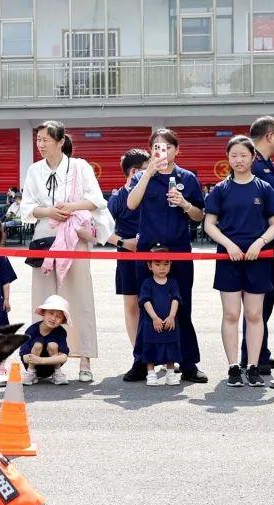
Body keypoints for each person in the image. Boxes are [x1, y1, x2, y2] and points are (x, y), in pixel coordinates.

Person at [19, 120, 110, 383]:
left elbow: (96, 200)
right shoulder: (34, 170)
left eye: (46, 139)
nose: (41, 144)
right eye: (38, 140)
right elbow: (27, 208)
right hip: (45, 236)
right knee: (44, 301)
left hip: (73, 237)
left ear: (60, 142)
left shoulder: (79, 167)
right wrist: (49, 211)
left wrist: (70, 208)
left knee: (79, 297)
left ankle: (84, 358)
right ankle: (40, 363)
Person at [126, 128, 208, 383]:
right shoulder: (142, 175)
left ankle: (188, 363)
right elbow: (131, 204)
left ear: (177, 150)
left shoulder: (188, 178)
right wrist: (148, 172)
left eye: (167, 147)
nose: (162, 151)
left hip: (179, 249)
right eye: (157, 147)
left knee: (181, 304)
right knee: (146, 305)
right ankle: (142, 361)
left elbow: (199, 215)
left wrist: (184, 204)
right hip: (148, 251)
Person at [203, 135, 274, 388]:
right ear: (228, 158)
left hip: (258, 259)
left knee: (254, 314)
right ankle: (233, 367)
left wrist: (260, 242)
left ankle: (253, 366)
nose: (238, 160)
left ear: (252, 157)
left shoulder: (264, 188)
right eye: (234, 155)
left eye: (243, 155)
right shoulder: (220, 189)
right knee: (231, 314)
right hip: (229, 258)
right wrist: (228, 244)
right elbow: (209, 224)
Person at [243, 116, 274, 374]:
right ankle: (252, 357)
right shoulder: (254, 165)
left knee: (266, 304)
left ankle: (261, 352)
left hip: (273, 242)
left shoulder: (267, 163)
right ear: (269, 135)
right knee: (256, 306)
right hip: (260, 245)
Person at [107, 149, 150, 381]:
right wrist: (124, 242)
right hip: (127, 258)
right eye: (145, 169)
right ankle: (139, 357)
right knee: (132, 306)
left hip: (153, 258)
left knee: (154, 305)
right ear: (134, 172)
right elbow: (100, 229)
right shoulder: (117, 199)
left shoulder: (153, 193)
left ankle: (157, 355)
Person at [137, 248, 182, 387]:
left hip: (170, 322)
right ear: (149, 265)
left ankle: (170, 373)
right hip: (152, 323)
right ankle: (151, 373)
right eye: (157, 264)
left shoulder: (172, 282)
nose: (162, 268)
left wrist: (172, 316)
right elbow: (145, 301)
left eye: (166, 263)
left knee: (171, 347)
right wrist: (154, 318)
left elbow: (176, 299)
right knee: (150, 347)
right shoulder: (147, 283)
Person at [20, 295, 70, 386]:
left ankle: (57, 373)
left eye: (58, 316)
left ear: (62, 321)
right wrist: (34, 359)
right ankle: (31, 373)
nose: (53, 318)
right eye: (51, 313)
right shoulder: (32, 330)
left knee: (53, 345)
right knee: (38, 344)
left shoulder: (61, 332)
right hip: (32, 365)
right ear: (43, 312)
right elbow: (24, 356)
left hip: (51, 366)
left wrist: (40, 360)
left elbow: (64, 357)